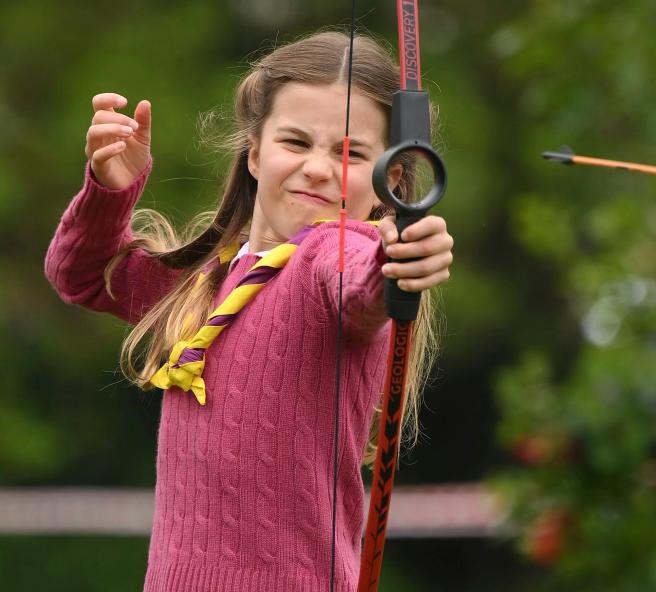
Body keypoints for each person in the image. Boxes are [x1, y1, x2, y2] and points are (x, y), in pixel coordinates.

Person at [43, 31, 454, 592]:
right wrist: (110, 191)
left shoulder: (332, 254)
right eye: (296, 142)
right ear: (255, 153)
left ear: (392, 182)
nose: (317, 168)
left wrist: (397, 259)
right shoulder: (202, 281)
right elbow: (82, 275)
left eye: (351, 153)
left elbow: (360, 286)